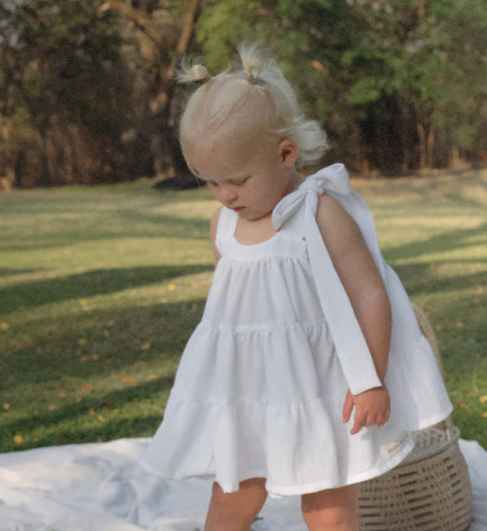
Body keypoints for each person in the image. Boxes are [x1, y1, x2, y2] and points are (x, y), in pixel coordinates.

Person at [139, 46, 452, 531]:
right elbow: (237, 307)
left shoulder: (321, 214)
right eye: (212, 182)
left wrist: (371, 378)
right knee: (232, 496)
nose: (226, 195)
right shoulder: (223, 224)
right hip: (247, 386)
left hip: (318, 386)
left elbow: (371, 293)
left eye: (237, 180)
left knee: (327, 504)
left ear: (286, 153)